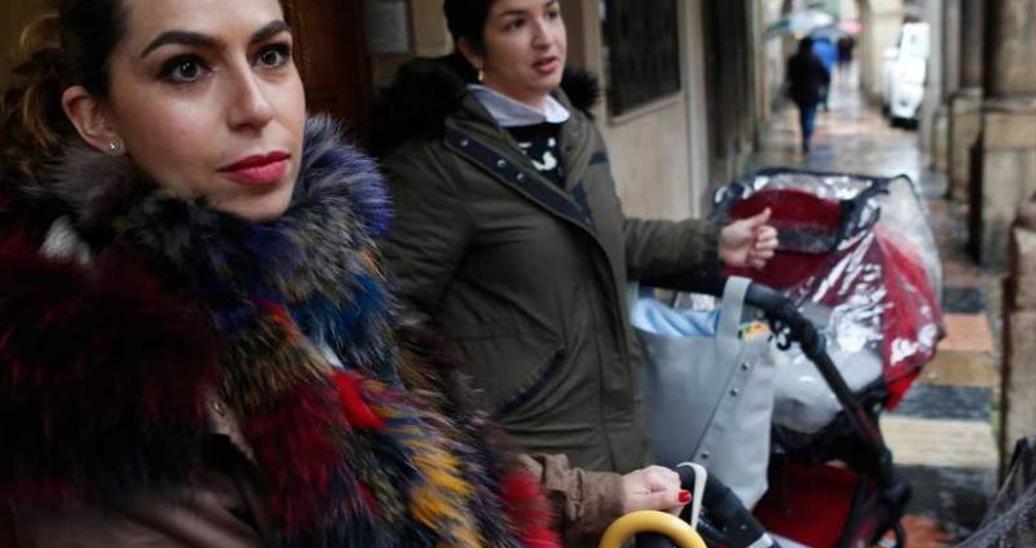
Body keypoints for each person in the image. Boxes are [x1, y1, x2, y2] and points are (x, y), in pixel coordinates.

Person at [0, 0, 565, 545]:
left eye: (270, 54)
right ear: (96, 117)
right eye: (186, 68)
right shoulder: (98, 384)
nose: (255, 107)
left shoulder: (324, 267)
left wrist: (597, 499)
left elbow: (432, 467)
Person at [374, 0, 779, 542]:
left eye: (552, 13)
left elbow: (607, 238)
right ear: (473, 48)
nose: (546, 38)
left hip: (619, 423)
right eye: (516, 24)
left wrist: (712, 241)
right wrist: (462, 424)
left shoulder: (572, 127)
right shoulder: (437, 162)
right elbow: (387, 317)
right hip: (534, 448)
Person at [786, 37, 831, 153]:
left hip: (799, 92)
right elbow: (825, 76)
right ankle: (807, 136)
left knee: (803, 114)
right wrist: (824, 85)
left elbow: (789, 76)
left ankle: (805, 135)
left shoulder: (794, 59)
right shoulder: (815, 59)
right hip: (812, 92)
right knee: (810, 114)